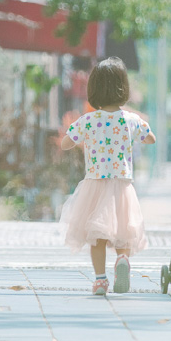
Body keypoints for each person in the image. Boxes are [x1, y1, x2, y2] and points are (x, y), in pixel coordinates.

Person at [58, 57, 155, 296]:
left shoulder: (88, 121)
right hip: (122, 186)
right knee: (124, 232)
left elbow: (65, 143)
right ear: (124, 88)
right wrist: (135, 128)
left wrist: (82, 138)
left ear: (94, 90)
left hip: (95, 185)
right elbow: (151, 138)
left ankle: (100, 280)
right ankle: (122, 260)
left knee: (96, 235)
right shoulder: (130, 119)